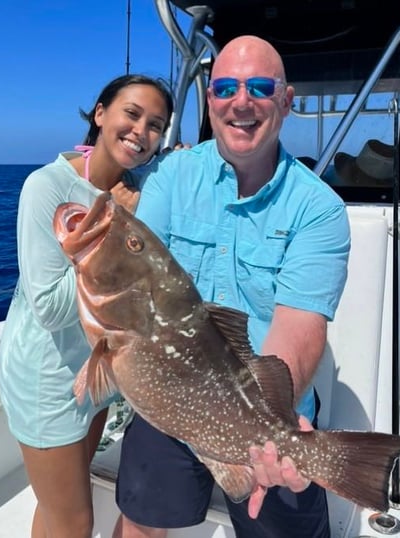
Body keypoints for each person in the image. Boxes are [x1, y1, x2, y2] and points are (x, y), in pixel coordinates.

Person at [113, 35, 351, 538]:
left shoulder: (320, 209)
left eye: (260, 87)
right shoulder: (170, 177)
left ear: (286, 101)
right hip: (170, 399)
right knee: (139, 525)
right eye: (224, 88)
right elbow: (138, 286)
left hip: (268, 411)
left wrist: (272, 429)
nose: (241, 102)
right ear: (210, 101)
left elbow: (297, 330)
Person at [0, 74, 174, 538]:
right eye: (131, 114)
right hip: (47, 381)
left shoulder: (139, 185)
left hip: (97, 372)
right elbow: (49, 310)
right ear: (100, 114)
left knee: (56, 508)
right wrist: (110, 231)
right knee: (74, 521)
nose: (141, 132)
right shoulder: (46, 186)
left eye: (156, 125)